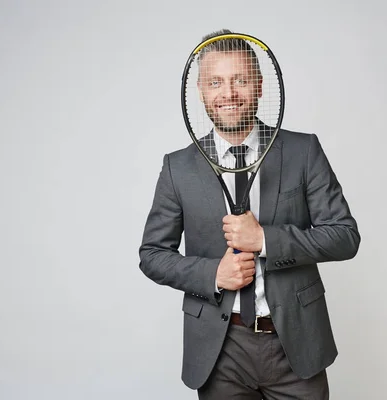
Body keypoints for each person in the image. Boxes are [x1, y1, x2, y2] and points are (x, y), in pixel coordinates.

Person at [139, 29, 360, 399]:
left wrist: (265, 240)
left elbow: (344, 236)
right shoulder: (178, 168)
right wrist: (213, 273)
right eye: (216, 82)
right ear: (201, 92)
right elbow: (152, 256)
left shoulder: (303, 151)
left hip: (295, 344)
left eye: (239, 80)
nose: (228, 93)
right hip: (219, 349)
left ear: (258, 86)